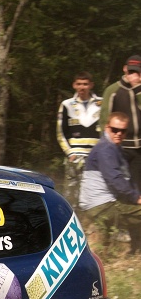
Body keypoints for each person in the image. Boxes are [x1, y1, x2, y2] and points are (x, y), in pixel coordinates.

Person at [78, 112, 141, 253]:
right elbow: (115, 179)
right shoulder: (106, 149)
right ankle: (134, 250)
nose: (118, 133)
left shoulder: (113, 148)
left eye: (123, 131)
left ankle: (134, 250)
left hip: (100, 204)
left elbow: (125, 179)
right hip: (102, 205)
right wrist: (136, 198)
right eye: (114, 130)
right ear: (107, 128)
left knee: (101, 249)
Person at [56, 71, 101, 207]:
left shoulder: (101, 103)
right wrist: (70, 153)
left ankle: (90, 219)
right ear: (74, 85)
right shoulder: (67, 104)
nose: (82, 87)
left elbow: (107, 130)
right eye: (79, 84)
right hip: (75, 158)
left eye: (85, 84)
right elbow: (60, 132)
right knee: (70, 196)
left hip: (95, 157)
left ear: (91, 85)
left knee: (94, 195)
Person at [99, 55, 141, 189]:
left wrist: (137, 89)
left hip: (139, 148)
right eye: (131, 71)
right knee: (120, 185)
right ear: (124, 69)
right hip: (120, 146)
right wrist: (107, 146)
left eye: (137, 72)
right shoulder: (112, 90)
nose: (133, 75)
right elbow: (104, 120)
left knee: (138, 187)